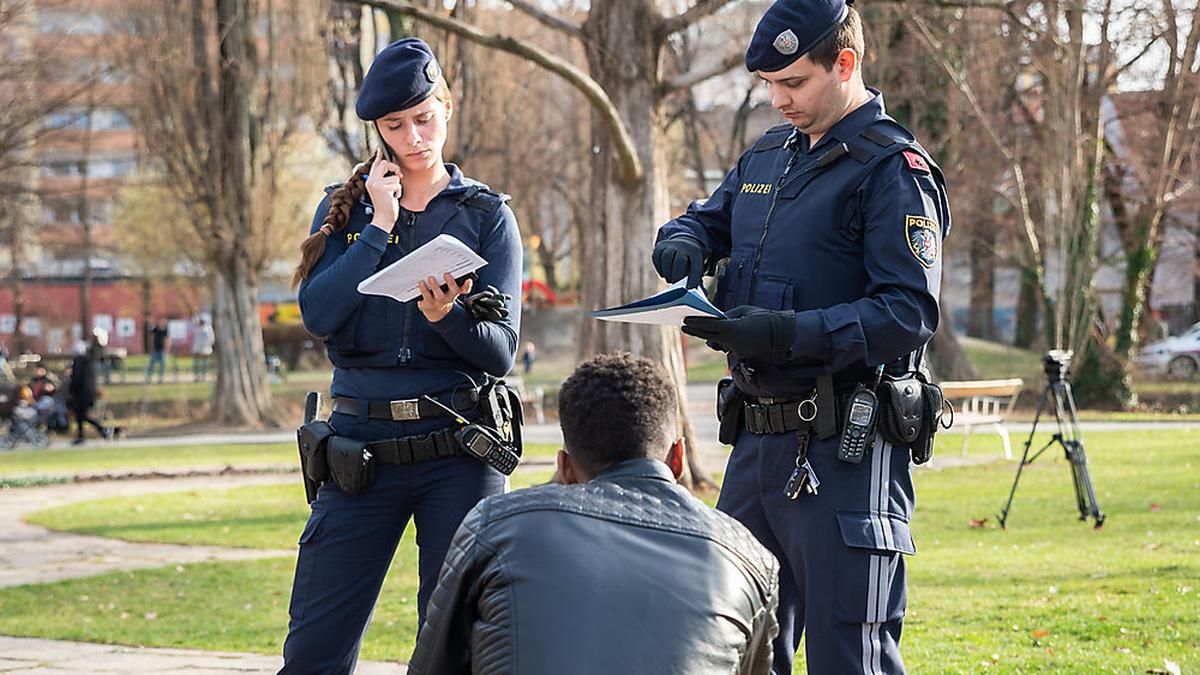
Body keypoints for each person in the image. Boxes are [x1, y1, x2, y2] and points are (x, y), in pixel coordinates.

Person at [652, 1, 951, 672]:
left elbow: (907, 312)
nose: (778, 99)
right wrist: (684, 240)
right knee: (736, 649)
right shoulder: (769, 155)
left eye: (793, 82)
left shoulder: (892, 171)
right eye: (769, 85)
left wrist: (786, 333)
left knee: (850, 654)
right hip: (756, 443)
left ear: (845, 63)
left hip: (845, 446)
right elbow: (707, 218)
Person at [282, 37, 522, 674]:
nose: (413, 138)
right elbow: (318, 315)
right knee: (312, 652)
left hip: (459, 451)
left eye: (424, 118)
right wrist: (378, 228)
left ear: (447, 107)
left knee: (455, 652)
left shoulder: (486, 215)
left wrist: (446, 318)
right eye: (395, 125)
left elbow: (501, 352)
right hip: (358, 450)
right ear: (378, 131)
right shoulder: (345, 209)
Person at [410, 353, 779, 675]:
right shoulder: (748, 558)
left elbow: (431, 665)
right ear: (678, 458)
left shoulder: (496, 525)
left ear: (564, 468)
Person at [67, 334, 115, 445]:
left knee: (81, 415)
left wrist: (72, 389)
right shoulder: (88, 361)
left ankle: (99, 430)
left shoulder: (79, 361)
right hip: (87, 392)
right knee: (81, 415)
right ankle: (87, 434)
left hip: (82, 393)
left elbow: (77, 378)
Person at [145, 318, 170, 384]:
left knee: (162, 365)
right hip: (155, 350)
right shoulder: (156, 330)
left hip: (162, 351)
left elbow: (168, 340)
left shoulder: (165, 331)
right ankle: (149, 377)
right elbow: (150, 329)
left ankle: (160, 378)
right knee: (151, 364)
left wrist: (166, 349)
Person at [191, 317, 215, 382]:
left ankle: (204, 376)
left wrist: (207, 346)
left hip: (205, 348)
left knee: (204, 362)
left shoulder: (208, 328)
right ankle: (196, 376)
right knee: (196, 363)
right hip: (197, 348)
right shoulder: (196, 328)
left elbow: (211, 339)